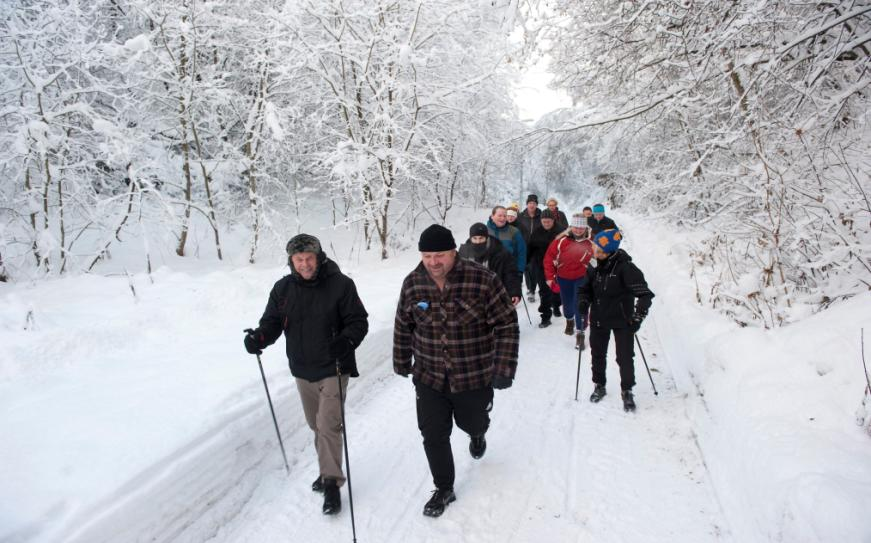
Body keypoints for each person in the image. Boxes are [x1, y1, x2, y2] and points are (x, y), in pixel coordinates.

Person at [394, 224, 520, 518]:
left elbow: (506, 324)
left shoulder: (483, 280)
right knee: (433, 433)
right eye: (427, 256)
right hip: (429, 375)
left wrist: (503, 367)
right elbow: (404, 324)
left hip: (472, 375)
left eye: (439, 255)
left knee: (472, 422)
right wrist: (401, 360)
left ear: (454, 251)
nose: (433, 262)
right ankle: (444, 487)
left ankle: (477, 434)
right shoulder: (413, 283)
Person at [244, 234, 369, 515]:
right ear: (291, 261)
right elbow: (273, 323)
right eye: (298, 260)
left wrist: (347, 340)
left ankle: (331, 484)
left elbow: (358, 321)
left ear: (319, 256)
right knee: (316, 425)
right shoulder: (283, 289)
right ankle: (328, 467)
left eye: (309, 258)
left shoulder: (341, 285)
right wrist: (259, 337)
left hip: (334, 366)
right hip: (302, 368)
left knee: (328, 425)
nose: (304, 264)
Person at [577, 229, 654, 412]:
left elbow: (645, 295)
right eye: (595, 246)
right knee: (597, 354)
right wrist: (582, 301)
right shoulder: (593, 264)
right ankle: (599, 385)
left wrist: (638, 317)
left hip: (623, 320)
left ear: (609, 250)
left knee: (625, 357)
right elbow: (584, 289)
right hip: (598, 318)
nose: (594, 249)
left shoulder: (625, 267)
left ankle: (627, 390)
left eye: (598, 247)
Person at [543, 214, 594, 349]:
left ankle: (580, 333)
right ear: (571, 227)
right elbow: (548, 258)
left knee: (580, 305)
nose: (578, 230)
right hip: (563, 277)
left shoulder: (591, 242)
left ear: (585, 228)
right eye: (576, 227)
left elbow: (600, 258)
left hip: (582, 278)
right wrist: (549, 277)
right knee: (567, 305)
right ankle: (569, 320)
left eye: (581, 227)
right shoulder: (561, 241)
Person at [457, 222, 522, 305]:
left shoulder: (500, 252)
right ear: (470, 238)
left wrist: (514, 292)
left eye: (481, 238)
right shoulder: (464, 253)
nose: (478, 241)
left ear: (486, 238)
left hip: (495, 294)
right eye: (475, 238)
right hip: (471, 297)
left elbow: (510, 273)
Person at [526, 208, 561, 327]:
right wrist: (525, 262)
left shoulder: (560, 231)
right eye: (544, 221)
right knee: (544, 291)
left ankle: (556, 306)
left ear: (553, 220)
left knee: (556, 289)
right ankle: (546, 317)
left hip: (557, 265)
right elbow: (530, 248)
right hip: (540, 265)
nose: (546, 224)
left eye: (549, 221)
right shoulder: (536, 232)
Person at [486, 205, 526, 278]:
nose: (503, 218)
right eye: (500, 215)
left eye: (505, 216)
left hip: (509, 272)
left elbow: (521, 252)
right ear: (492, 216)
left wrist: (520, 271)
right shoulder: (484, 231)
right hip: (488, 272)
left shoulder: (514, 231)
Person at [517, 194, 542, 302]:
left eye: (534, 203)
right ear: (527, 204)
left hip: (537, 246)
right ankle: (530, 288)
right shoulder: (521, 216)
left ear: (536, 204)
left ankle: (532, 289)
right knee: (527, 268)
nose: (532, 205)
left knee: (535, 268)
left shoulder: (541, 215)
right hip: (524, 246)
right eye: (530, 203)